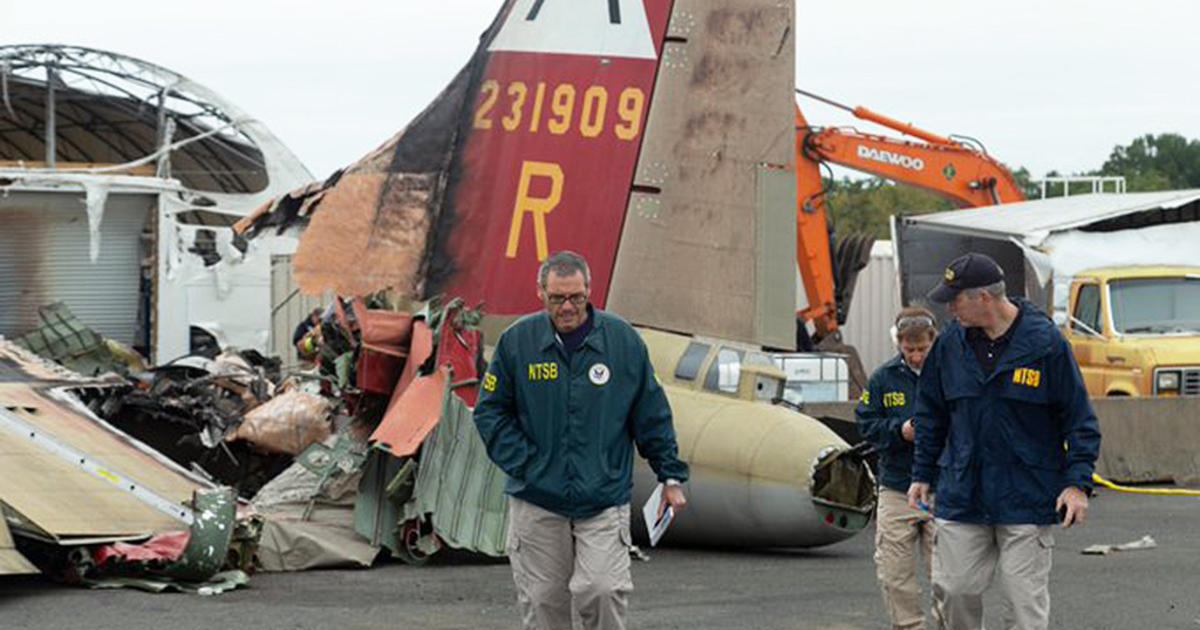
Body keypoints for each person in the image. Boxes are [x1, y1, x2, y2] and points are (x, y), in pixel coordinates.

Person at [473, 250, 689, 630]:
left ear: (590, 291)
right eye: (557, 298)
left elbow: (651, 413)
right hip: (537, 497)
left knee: (602, 590)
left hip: (602, 496)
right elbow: (489, 412)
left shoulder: (623, 343)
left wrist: (670, 477)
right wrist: (526, 462)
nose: (568, 307)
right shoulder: (517, 344)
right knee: (543, 603)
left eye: (576, 297)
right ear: (541, 293)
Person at [907, 252, 1101, 630]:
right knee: (954, 589)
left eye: (955, 299)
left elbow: (1079, 420)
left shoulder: (1045, 346)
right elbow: (930, 414)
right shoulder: (950, 346)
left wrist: (1077, 484)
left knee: (1023, 605)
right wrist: (922, 473)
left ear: (984, 298)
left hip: (1026, 495)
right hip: (964, 492)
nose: (948, 309)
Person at [857, 306, 946, 630]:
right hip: (897, 488)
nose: (917, 357)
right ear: (898, 344)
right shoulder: (883, 378)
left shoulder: (950, 373)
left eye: (922, 349)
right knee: (895, 574)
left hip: (942, 488)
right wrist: (899, 430)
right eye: (909, 350)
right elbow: (865, 423)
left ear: (933, 341)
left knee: (948, 578)